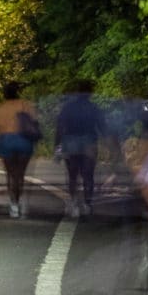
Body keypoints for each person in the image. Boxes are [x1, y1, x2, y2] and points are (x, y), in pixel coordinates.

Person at [0, 85, 43, 218]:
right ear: (17, 92)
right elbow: (35, 124)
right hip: (23, 141)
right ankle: (18, 199)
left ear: (5, 94)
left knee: (10, 174)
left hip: (6, 141)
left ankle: (13, 204)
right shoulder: (26, 105)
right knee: (20, 174)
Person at [56, 80, 102, 217]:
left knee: (72, 175)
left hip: (70, 141)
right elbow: (103, 127)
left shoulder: (68, 108)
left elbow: (60, 127)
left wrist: (57, 145)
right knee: (88, 175)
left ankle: (74, 203)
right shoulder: (94, 108)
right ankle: (87, 204)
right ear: (90, 93)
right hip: (89, 141)